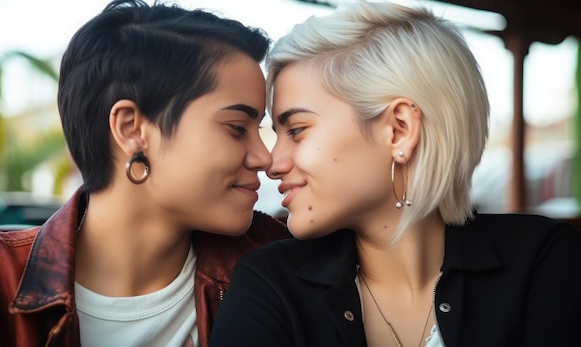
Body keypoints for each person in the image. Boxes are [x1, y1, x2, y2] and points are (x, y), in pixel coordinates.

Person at [209, 1, 581, 346]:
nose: (272, 163)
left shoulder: (544, 261)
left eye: (296, 130)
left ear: (399, 129)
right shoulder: (269, 284)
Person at [0, 0, 291, 346]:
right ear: (131, 129)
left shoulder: (288, 268)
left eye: (259, 128)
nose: (264, 157)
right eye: (236, 127)